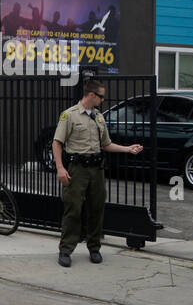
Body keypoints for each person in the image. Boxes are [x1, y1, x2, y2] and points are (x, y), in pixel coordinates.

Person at [52, 80, 143, 267]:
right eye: (101, 96)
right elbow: (57, 142)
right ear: (91, 95)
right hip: (77, 169)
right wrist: (60, 167)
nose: (103, 100)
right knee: (73, 209)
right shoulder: (69, 115)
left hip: (96, 169)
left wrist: (128, 149)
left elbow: (106, 144)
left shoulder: (98, 118)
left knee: (97, 208)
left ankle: (94, 248)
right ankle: (66, 249)